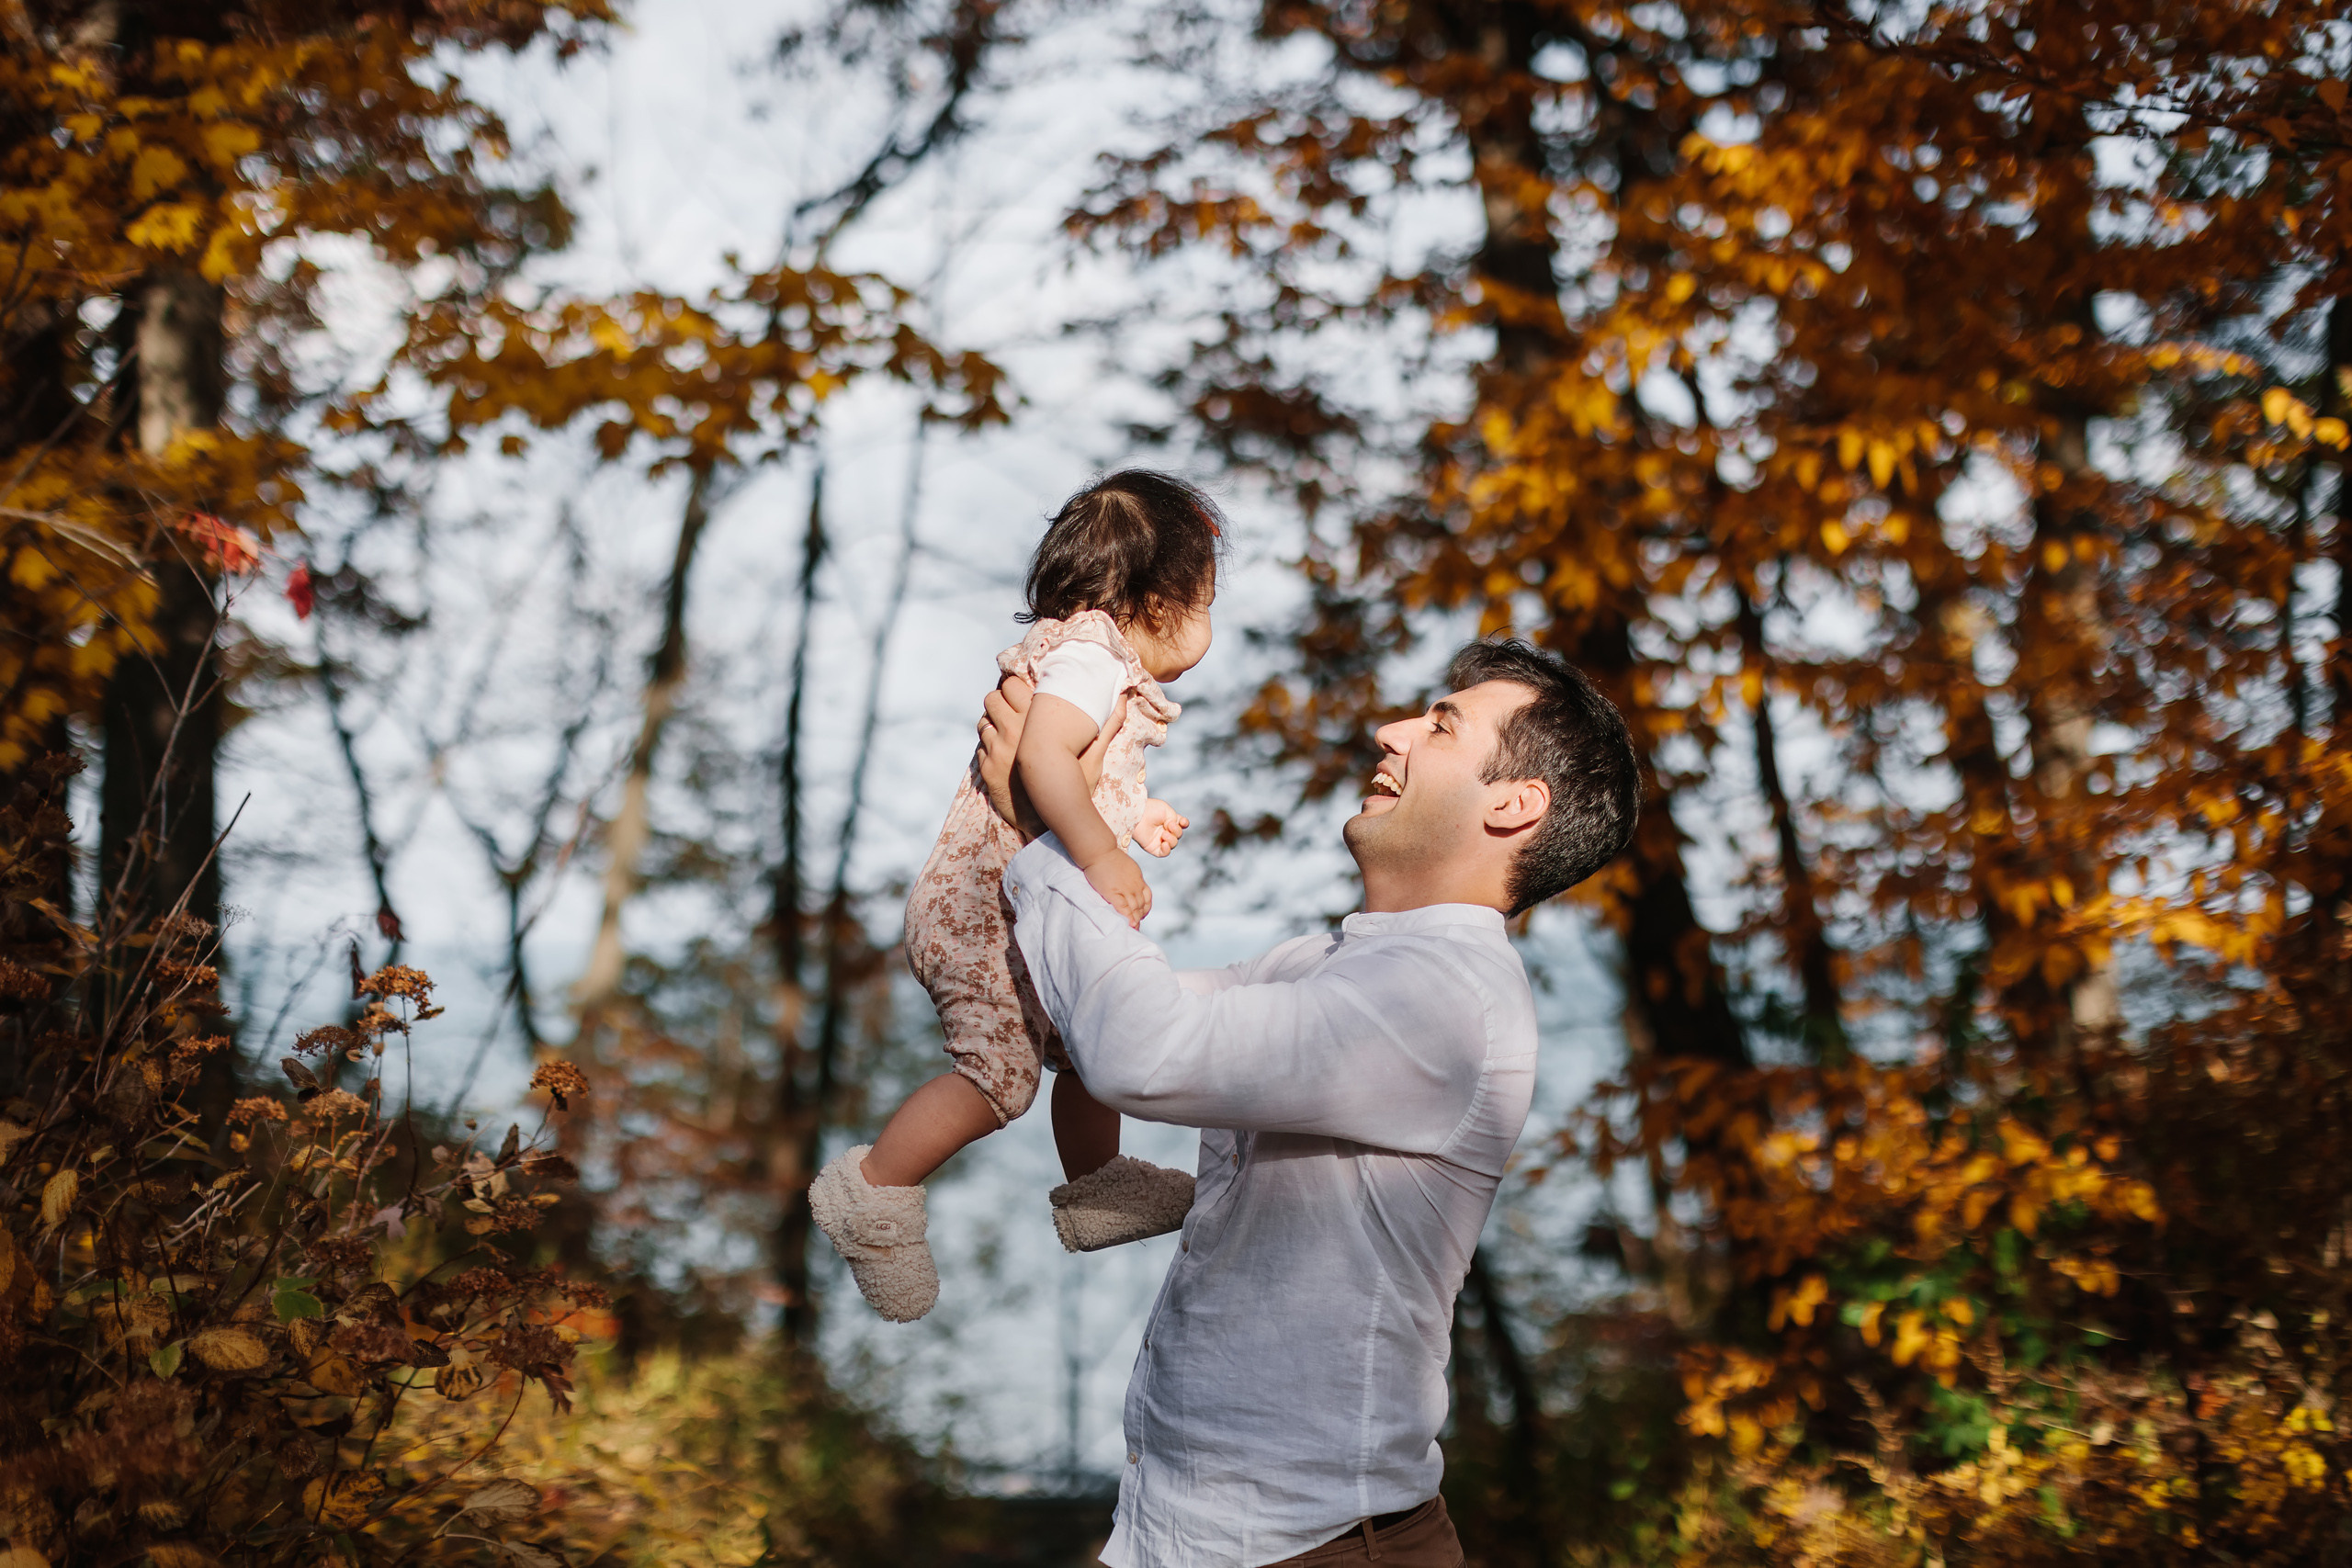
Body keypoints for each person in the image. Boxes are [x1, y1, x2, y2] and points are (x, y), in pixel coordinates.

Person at [982, 637, 1640, 1568]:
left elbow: (1139, 1049)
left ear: (1514, 804)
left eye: (1442, 724)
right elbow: (1088, 1030)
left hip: (1315, 1549)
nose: (1394, 730)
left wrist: (1053, 831)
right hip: (1178, 1539)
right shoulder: (1322, 964)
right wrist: (1068, 805)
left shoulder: (1443, 1001)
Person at [811, 470, 1227, 1325]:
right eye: (1209, 601)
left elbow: (1074, 765)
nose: (1210, 626)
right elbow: (1041, 760)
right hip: (982, 914)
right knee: (1000, 1079)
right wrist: (1104, 849)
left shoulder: (1086, 659)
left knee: (1093, 1038)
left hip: (1021, 906)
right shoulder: (1089, 657)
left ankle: (1098, 1187)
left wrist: (1131, 809)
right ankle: (872, 1191)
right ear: (1158, 600)